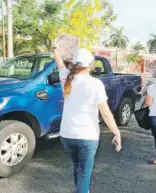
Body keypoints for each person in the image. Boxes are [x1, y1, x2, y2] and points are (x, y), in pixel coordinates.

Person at [52, 47, 122, 193]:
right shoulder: (95, 84)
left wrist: (55, 49)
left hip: (67, 135)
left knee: (77, 166)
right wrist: (116, 133)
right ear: (90, 65)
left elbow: (59, 63)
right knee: (84, 173)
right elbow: (106, 114)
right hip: (87, 137)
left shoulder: (66, 78)